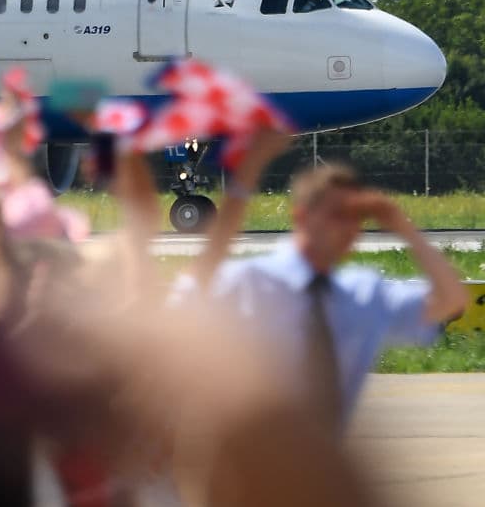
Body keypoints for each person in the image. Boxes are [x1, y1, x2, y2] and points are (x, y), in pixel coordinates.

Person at [179, 163, 468, 432]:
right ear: (301, 217)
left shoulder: (363, 294)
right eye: (337, 215)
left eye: (356, 218)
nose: (348, 228)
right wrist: (246, 174)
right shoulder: (250, 281)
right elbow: (181, 306)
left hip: (324, 463)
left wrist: (400, 224)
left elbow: (452, 300)